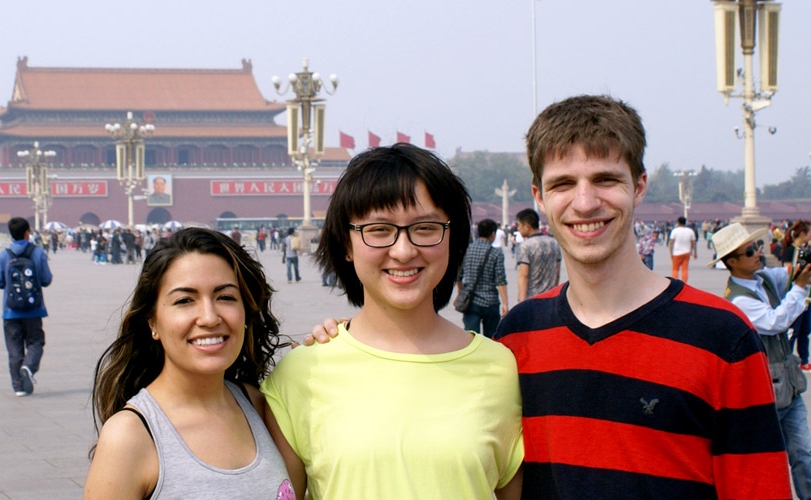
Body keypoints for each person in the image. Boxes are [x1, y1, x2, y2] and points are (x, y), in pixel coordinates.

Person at [306, 95, 790, 498]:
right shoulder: (518, 339)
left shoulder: (720, 335)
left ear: (639, 186)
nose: (584, 202)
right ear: (538, 196)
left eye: (605, 179)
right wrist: (340, 341)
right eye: (563, 184)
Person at [265, 145, 523, 499]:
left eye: (426, 228)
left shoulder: (502, 370)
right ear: (347, 243)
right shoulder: (300, 374)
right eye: (380, 230)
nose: (403, 251)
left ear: (453, 238)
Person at [85, 228, 290, 499]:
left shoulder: (259, 405)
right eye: (184, 301)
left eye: (225, 297)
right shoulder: (129, 437)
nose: (209, 317)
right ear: (153, 321)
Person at [711, 222, 811, 499]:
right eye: (750, 251)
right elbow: (775, 322)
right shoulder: (738, 300)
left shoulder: (761, 278)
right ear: (731, 262)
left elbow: (787, 274)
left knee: (804, 455)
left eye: (756, 247)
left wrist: (802, 261)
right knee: (768, 463)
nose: (758, 252)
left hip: (787, 386)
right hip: (763, 391)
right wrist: (801, 288)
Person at [0, 217, 53, 396]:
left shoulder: (4, 255)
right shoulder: (37, 253)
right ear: (27, 232)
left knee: (14, 348)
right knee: (36, 341)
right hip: (34, 309)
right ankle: (28, 366)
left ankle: (18, 386)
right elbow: (46, 279)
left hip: (10, 311)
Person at [455, 219, 508, 336]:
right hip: (490, 302)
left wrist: (461, 290)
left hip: (471, 301)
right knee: (491, 339)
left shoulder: (466, 250)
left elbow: (458, 276)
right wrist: (505, 303)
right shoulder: (496, 253)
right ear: (493, 234)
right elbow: (500, 280)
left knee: (471, 337)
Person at [780, 220, 811, 369]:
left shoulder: (805, 250)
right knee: (793, 330)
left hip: (806, 296)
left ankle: (804, 360)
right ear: (803, 234)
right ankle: (787, 358)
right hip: (794, 294)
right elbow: (788, 274)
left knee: (805, 330)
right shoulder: (790, 251)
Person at [514, 208, 562, 301]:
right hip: (550, 297)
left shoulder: (525, 246)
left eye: (519, 225)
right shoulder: (554, 243)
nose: (518, 229)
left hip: (532, 299)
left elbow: (524, 275)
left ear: (527, 226)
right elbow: (557, 273)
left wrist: (522, 300)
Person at [668, 215, 697, 281]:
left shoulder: (675, 231)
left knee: (675, 269)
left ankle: (675, 282)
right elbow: (693, 243)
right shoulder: (690, 231)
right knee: (685, 269)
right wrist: (695, 252)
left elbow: (671, 243)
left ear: (678, 222)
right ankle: (684, 283)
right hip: (687, 252)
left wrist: (670, 252)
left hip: (677, 253)